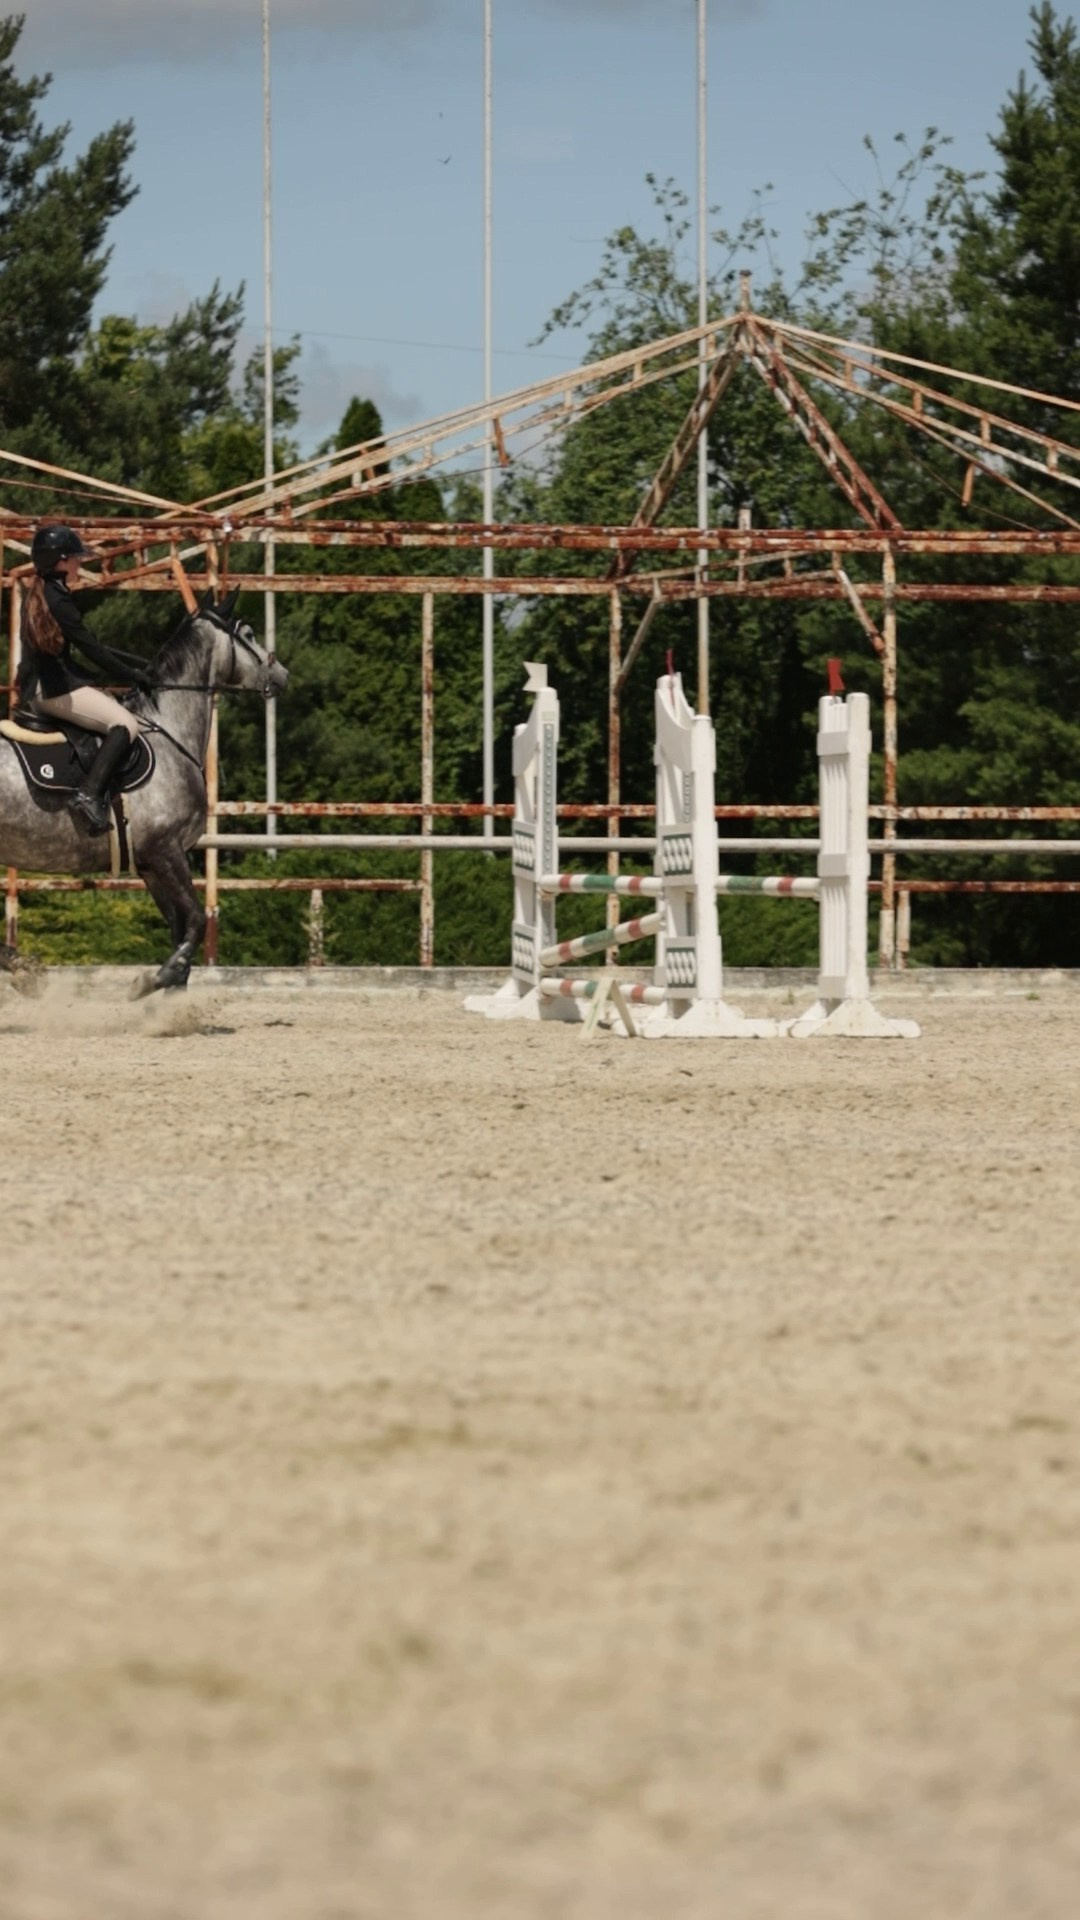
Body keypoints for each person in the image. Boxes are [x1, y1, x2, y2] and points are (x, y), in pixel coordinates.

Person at [18, 524, 149, 835]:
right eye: (76, 558)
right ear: (62, 562)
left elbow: (68, 655)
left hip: (38, 688)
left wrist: (92, 676)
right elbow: (93, 648)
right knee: (127, 724)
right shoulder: (59, 600)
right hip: (52, 691)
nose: (80, 563)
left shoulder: (39, 594)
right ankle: (88, 795)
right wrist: (133, 675)